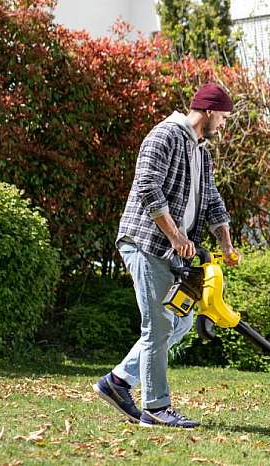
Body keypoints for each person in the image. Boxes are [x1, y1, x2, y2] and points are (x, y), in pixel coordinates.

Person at [93, 82, 240, 428]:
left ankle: (117, 382)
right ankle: (156, 410)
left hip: (173, 248)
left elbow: (213, 200)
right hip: (145, 242)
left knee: (182, 320)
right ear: (207, 111)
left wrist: (227, 244)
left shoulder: (201, 151)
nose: (224, 124)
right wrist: (175, 236)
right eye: (223, 116)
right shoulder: (164, 136)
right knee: (158, 324)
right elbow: (147, 187)